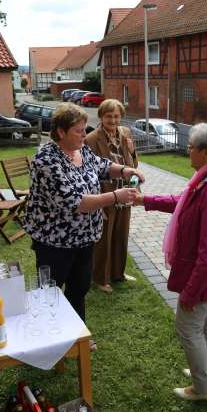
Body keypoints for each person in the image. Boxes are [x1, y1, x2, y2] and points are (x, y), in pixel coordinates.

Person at [135, 123, 207, 401]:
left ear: (206, 152)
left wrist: (191, 292)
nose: (188, 150)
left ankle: (203, 387)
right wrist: (143, 199)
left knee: (188, 326)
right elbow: (181, 201)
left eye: (191, 147)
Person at [23, 103, 144, 325]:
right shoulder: (46, 160)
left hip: (85, 238)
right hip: (55, 242)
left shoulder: (80, 149)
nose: (84, 135)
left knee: (79, 288)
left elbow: (102, 165)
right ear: (61, 131)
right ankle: (47, 333)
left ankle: (77, 331)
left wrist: (127, 170)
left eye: (84, 129)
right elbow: (75, 202)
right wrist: (115, 196)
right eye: (79, 131)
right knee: (50, 291)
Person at [85, 99, 138, 293]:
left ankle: (118, 273)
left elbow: (134, 163)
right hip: (105, 194)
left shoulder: (126, 133)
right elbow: (89, 172)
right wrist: (97, 201)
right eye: (109, 116)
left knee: (121, 235)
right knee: (104, 239)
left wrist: (131, 150)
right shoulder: (91, 139)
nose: (113, 120)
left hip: (125, 193)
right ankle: (101, 278)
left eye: (116, 116)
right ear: (101, 116)